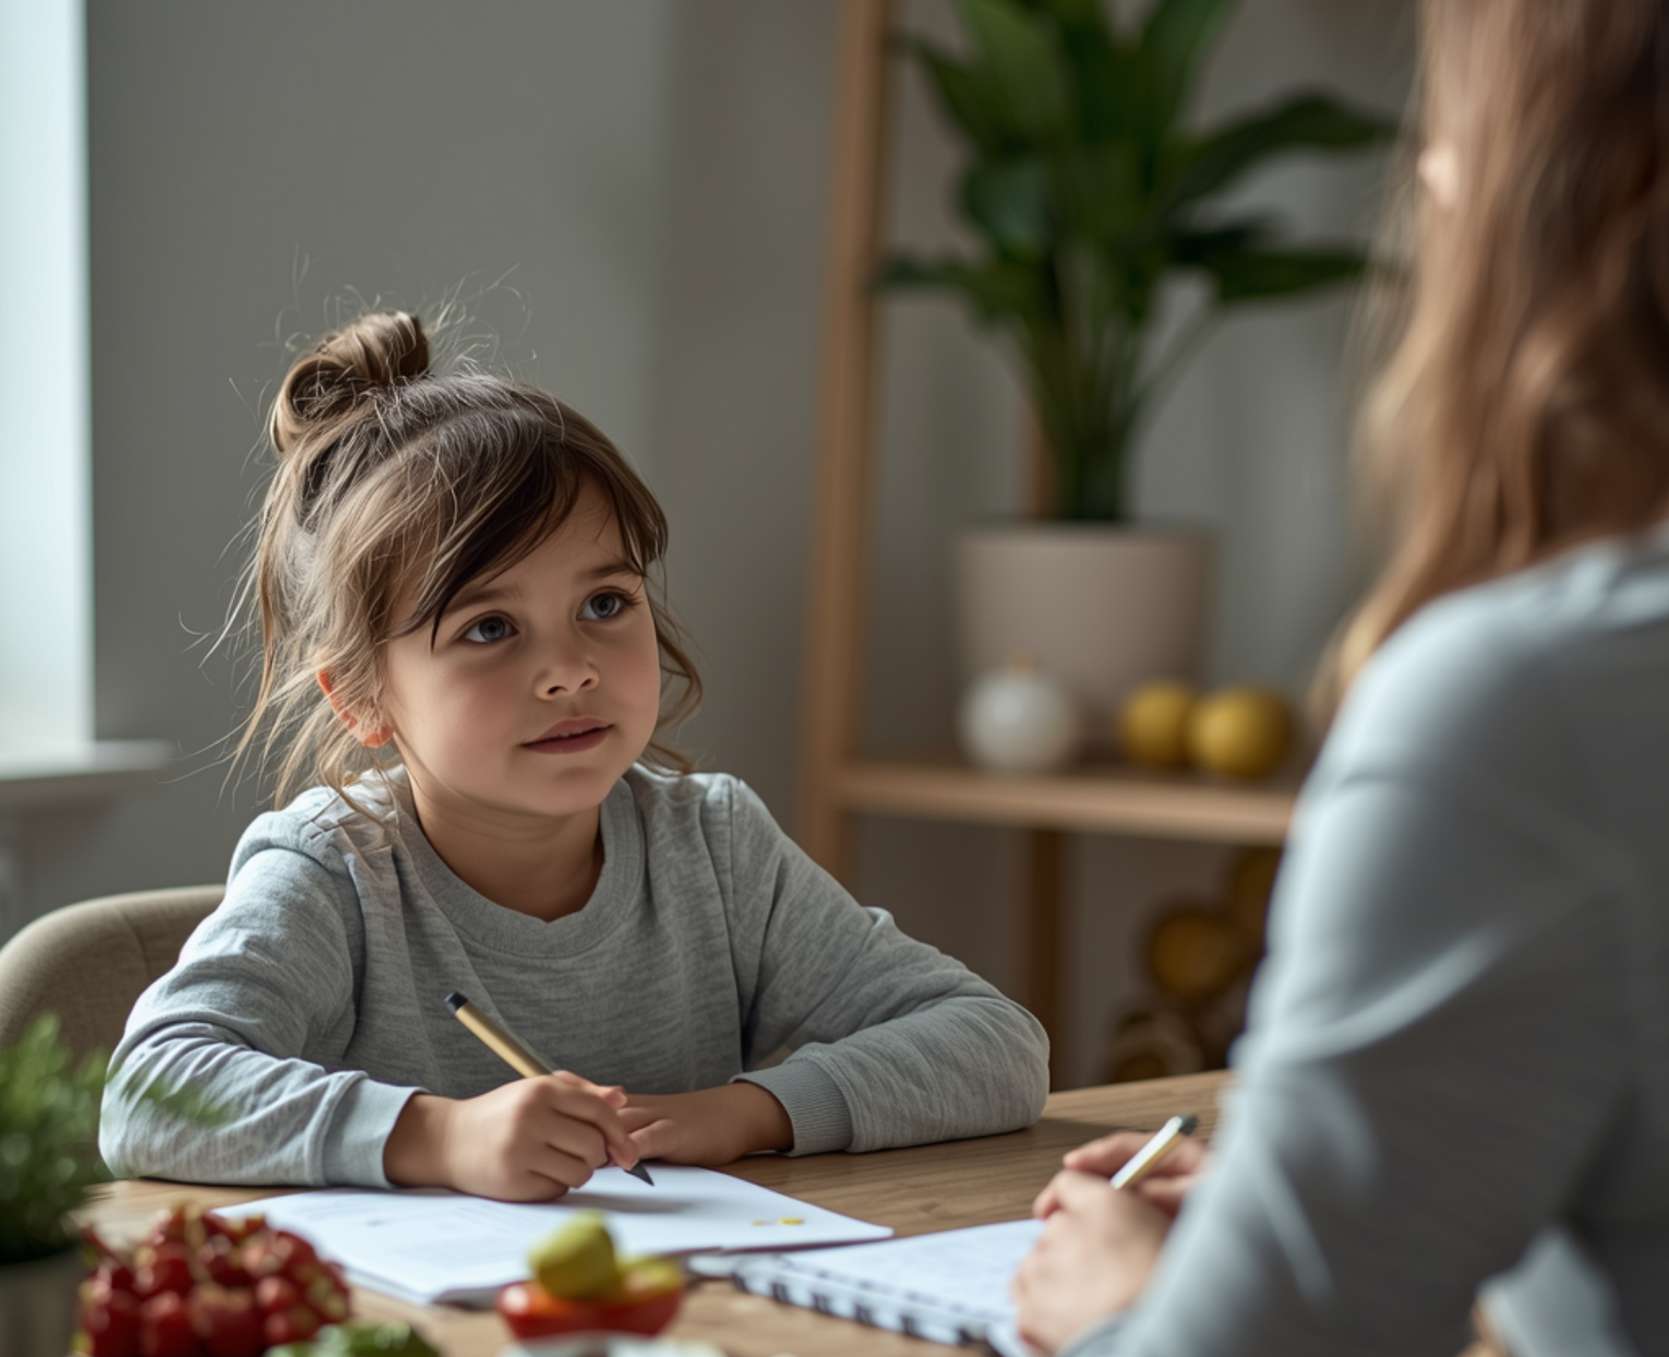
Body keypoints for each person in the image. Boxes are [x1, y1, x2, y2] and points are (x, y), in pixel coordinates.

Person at [1015, 2, 1669, 1353]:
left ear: (1600, 189)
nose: (1428, 175)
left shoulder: (1539, 708)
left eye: (1452, 125)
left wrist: (1134, 1305)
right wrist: (1390, 1189)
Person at [100, 311, 1049, 1200]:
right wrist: (440, 1138)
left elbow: (997, 1044)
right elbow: (151, 1090)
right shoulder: (336, 873)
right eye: (489, 627)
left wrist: (743, 1113)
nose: (567, 671)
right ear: (361, 699)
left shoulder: (713, 846)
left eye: (604, 604)